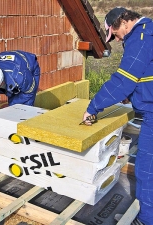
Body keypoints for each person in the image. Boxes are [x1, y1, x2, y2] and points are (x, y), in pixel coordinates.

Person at [82, 7, 153, 225]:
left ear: (123, 22)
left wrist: (93, 107)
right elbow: (143, 74)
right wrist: (131, 94)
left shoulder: (140, 37)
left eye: (116, 34)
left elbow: (123, 81)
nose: (118, 39)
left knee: (146, 168)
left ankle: (146, 220)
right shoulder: (148, 32)